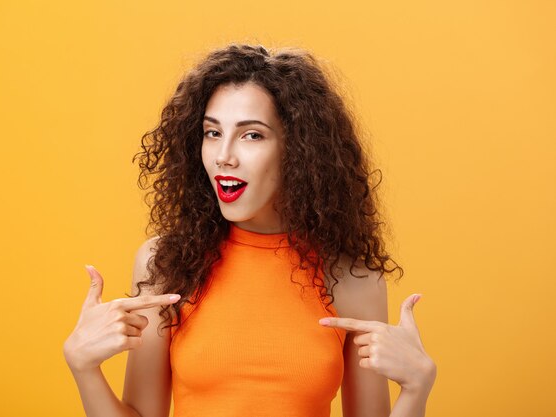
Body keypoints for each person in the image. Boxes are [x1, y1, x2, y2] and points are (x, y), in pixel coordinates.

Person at [63, 43, 437, 417]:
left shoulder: (353, 280)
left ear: (299, 150)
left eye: (252, 135)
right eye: (212, 133)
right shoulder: (167, 264)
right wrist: (84, 368)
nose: (224, 154)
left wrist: (416, 387)